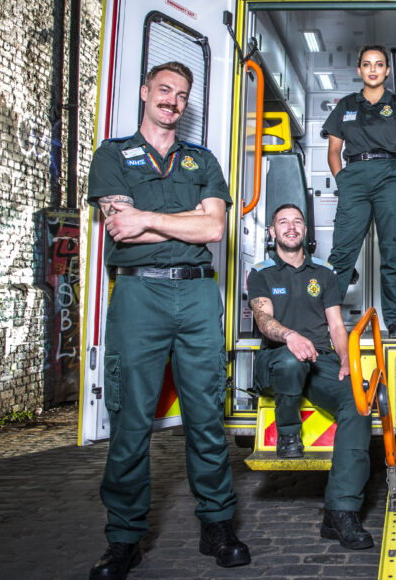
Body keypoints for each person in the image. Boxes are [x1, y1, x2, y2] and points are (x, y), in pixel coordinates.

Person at [87, 61, 248, 579]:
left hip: (198, 297)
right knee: (131, 420)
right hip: (139, 297)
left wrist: (150, 218)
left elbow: (215, 230)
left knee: (206, 417)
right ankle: (124, 539)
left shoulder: (202, 160)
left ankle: (218, 525)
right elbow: (121, 232)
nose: (173, 101)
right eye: (164, 90)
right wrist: (185, 225)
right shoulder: (112, 155)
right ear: (144, 93)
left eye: (181, 95)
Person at [247, 204, 375, 550]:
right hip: (278, 359)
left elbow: (336, 325)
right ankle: (288, 435)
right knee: (291, 362)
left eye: (297, 222)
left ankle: (340, 512)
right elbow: (264, 321)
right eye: (283, 222)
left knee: (359, 404)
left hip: (321, 361)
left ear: (306, 231)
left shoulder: (325, 273)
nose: (291, 227)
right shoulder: (260, 274)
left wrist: (347, 362)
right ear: (272, 233)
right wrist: (290, 336)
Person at [324, 45, 396, 338]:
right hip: (353, 175)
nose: (373, 69)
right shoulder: (345, 105)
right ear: (359, 70)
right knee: (342, 253)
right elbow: (333, 152)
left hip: (390, 177)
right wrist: (343, 180)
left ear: (387, 70)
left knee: (392, 251)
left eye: (379, 64)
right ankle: (326, 321)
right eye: (367, 64)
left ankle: (395, 322)